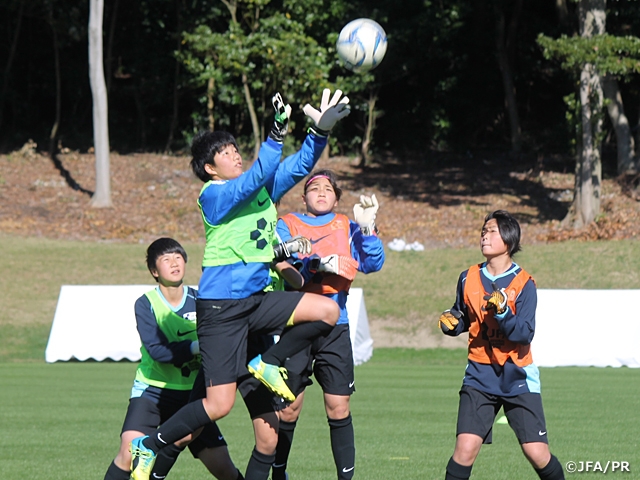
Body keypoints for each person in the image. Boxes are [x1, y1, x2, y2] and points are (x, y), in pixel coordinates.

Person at [129, 88, 351, 480]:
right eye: (225, 152)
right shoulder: (213, 195)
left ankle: (268, 361)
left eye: (235, 148)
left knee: (328, 310)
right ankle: (151, 444)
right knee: (219, 405)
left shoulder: (258, 186)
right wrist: (276, 133)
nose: (234, 153)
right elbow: (257, 177)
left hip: (255, 302)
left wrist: (319, 132)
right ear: (210, 168)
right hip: (221, 310)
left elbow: (298, 167)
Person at [271, 169, 385, 480]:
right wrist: (313, 264)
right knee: (288, 408)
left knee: (338, 405)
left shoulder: (348, 225)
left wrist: (368, 229)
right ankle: (278, 473)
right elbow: (278, 261)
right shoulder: (288, 224)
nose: (321, 192)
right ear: (303, 196)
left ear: (336, 197)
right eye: (314, 188)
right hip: (295, 323)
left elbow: (373, 264)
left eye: (328, 189)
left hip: (336, 327)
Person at [438, 210, 565, 480]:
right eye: (483, 231)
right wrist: (452, 324)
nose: (485, 235)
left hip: (517, 374)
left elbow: (524, 334)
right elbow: (463, 316)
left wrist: (505, 313)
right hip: (479, 374)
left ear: (508, 239)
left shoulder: (524, 283)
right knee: (465, 449)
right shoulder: (467, 277)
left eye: (492, 231)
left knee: (537, 452)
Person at [104, 237, 243, 480]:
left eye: (178, 257)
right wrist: (196, 347)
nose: (174, 263)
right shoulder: (146, 303)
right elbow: (158, 351)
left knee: (225, 469)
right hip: (153, 392)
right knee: (128, 453)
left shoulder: (203, 300)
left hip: (194, 397)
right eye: (166, 259)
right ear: (154, 271)